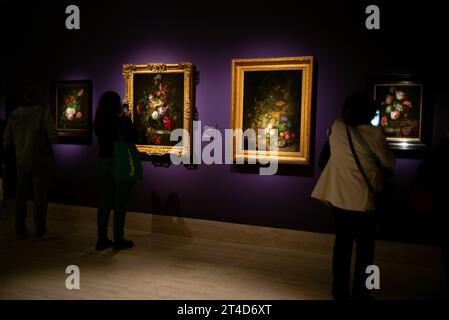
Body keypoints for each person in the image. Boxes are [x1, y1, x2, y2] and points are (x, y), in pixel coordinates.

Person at [311, 92, 395, 300]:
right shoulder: (375, 133)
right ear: (370, 112)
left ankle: (338, 293)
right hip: (365, 202)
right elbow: (389, 163)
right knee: (366, 253)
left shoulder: (337, 127)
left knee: (341, 249)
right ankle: (363, 292)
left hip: (340, 199)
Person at [3, 85, 58, 238]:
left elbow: (7, 140)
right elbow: (54, 137)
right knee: (40, 196)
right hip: (40, 160)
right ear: (38, 97)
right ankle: (39, 229)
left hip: (21, 159)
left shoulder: (14, 114)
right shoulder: (42, 113)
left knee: (20, 195)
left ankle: (19, 228)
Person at [93, 91, 138, 251]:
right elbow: (134, 136)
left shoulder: (98, 121)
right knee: (119, 204)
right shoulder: (122, 121)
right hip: (119, 163)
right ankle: (118, 239)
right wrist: (126, 116)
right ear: (116, 105)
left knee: (104, 204)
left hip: (102, 162)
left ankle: (101, 238)